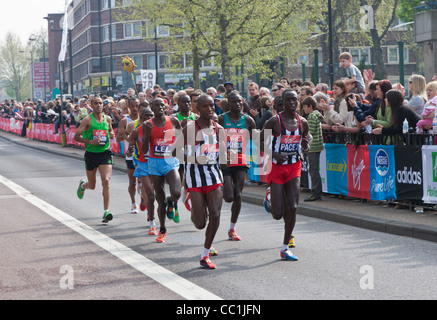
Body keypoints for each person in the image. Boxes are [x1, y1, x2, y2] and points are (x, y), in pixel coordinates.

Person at [262, 89, 311, 261]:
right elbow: (259, 140)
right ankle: (270, 196)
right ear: (282, 102)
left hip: (294, 167)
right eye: (288, 100)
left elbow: (307, 138)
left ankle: (285, 247)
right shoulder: (274, 121)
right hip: (276, 167)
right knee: (277, 214)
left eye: (294, 100)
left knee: (292, 206)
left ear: (298, 101)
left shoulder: (303, 122)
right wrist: (273, 154)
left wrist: (306, 144)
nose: (291, 103)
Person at [180, 94, 226, 269]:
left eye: (212, 105)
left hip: (214, 176)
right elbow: (175, 151)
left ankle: (205, 255)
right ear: (197, 109)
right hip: (194, 178)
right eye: (205, 106)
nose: (210, 109)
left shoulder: (219, 129)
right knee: (200, 224)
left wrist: (228, 158)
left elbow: (222, 155)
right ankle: (191, 200)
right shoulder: (190, 128)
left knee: (215, 214)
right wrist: (194, 157)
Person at [141, 98, 182, 242]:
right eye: (156, 105)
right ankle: (162, 229)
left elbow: (180, 138)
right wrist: (147, 133)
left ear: (165, 106)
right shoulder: (148, 125)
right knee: (160, 199)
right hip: (154, 163)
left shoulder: (174, 121)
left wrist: (177, 149)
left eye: (161, 105)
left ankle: (172, 201)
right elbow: (144, 149)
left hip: (170, 161)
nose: (159, 107)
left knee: (176, 191)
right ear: (151, 107)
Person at [218, 90, 256, 241]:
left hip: (240, 160)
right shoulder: (221, 119)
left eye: (240, 101)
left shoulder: (248, 120)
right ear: (229, 103)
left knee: (238, 195)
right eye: (234, 102)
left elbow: (257, 139)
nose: (238, 104)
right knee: (228, 197)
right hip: (225, 161)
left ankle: (232, 228)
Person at [74, 96, 115, 223]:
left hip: (104, 153)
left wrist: (112, 134)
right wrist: (90, 141)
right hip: (91, 154)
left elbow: (110, 130)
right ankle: (83, 185)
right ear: (91, 105)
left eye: (100, 103)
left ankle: (106, 211)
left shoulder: (107, 118)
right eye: (96, 103)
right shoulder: (87, 120)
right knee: (92, 185)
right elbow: (76, 137)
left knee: (106, 181)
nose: (99, 105)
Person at [127, 107, 157, 235]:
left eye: (151, 115)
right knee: (149, 193)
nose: (148, 118)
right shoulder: (136, 131)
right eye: (145, 116)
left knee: (158, 193)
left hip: (157, 164)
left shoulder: (160, 129)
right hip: (143, 164)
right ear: (141, 117)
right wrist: (130, 149)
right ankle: (152, 221)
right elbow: (129, 149)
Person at [117, 97, 140, 214]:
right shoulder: (125, 121)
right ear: (128, 107)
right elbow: (118, 137)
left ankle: (142, 195)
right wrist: (128, 137)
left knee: (143, 181)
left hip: (142, 156)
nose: (135, 108)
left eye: (137, 105)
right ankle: (133, 203)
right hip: (130, 155)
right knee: (132, 181)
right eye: (133, 106)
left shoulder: (144, 119)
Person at [301, 96, 323, 202]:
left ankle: (316, 193)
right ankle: (316, 192)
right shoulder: (316, 115)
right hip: (316, 146)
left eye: (305, 107)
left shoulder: (311, 116)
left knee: (313, 171)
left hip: (313, 146)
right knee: (314, 170)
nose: (304, 109)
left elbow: (310, 132)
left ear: (310, 106)